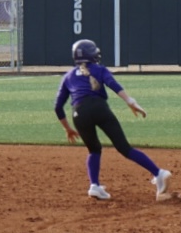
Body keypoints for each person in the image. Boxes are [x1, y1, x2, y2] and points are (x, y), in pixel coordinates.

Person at [54, 39, 172, 201]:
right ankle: (159, 173)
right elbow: (113, 84)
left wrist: (67, 128)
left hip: (79, 114)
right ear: (92, 54)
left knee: (94, 149)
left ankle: (94, 186)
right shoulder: (100, 69)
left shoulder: (68, 76)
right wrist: (131, 102)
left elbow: (58, 107)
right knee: (124, 148)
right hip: (99, 108)